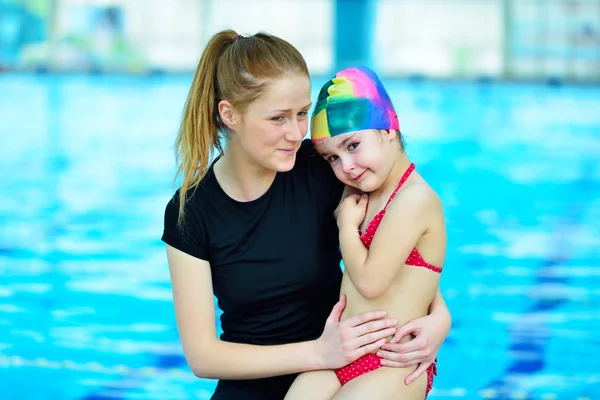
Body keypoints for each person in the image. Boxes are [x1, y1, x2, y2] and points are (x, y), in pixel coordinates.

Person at [162, 30, 451, 400]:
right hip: (264, 376)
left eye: (301, 114)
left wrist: (439, 318)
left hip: (352, 372)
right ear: (230, 115)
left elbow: (404, 249)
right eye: (279, 118)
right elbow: (203, 356)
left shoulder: (323, 168)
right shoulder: (191, 212)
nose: (297, 133)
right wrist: (319, 351)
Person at [284, 66, 446, 400]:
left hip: (392, 361)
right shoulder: (359, 188)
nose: (346, 167)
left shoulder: (414, 199)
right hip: (340, 353)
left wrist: (346, 227)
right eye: (332, 157)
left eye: (353, 145)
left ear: (389, 129)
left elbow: (372, 283)